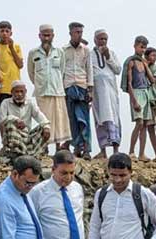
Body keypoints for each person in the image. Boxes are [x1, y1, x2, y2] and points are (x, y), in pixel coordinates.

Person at [27, 24, 71, 152]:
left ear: (53, 36)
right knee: (44, 120)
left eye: (49, 35)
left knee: (59, 120)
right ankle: (44, 147)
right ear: (39, 36)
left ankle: (58, 147)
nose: (46, 38)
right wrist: (39, 84)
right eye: (44, 35)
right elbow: (31, 72)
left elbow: (61, 71)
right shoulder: (33, 53)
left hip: (57, 90)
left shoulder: (59, 52)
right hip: (42, 92)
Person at [63, 22, 93, 160]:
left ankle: (87, 148)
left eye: (80, 32)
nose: (79, 34)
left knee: (84, 119)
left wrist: (90, 89)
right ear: (70, 33)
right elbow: (61, 70)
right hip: (69, 86)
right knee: (72, 120)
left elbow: (89, 70)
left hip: (82, 86)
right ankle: (77, 147)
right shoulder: (63, 50)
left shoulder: (86, 50)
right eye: (76, 32)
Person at [122, 36, 155, 161]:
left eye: (144, 48)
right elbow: (129, 83)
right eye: (141, 47)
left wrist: (146, 66)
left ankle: (142, 153)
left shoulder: (143, 62)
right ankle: (131, 151)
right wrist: (133, 100)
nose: (142, 50)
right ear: (135, 46)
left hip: (145, 92)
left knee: (145, 124)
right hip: (136, 93)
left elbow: (152, 80)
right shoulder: (131, 61)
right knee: (139, 122)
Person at [0, 80, 51, 158]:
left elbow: (40, 116)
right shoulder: (5, 103)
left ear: (25, 92)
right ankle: (15, 152)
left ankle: (29, 152)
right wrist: (15, 120)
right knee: (9, 124)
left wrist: (46, 127)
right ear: (12, 92)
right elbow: (2, 120)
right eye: (16, 92)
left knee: (44, 128)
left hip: (26, 137)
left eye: (21, 91)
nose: (19, 94)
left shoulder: (30, 103)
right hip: (12, 137)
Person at [90, 29, 121, 159]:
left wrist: (108, 57)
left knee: (113, 119)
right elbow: (89, 72)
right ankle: (103, 151)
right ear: (95, 40)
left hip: (111, 92)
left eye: (105, 39)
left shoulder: (112, 53)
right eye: (100, 39)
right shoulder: (90, 55)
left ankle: (116, 150)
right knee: (100, 119)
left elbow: (118, 69)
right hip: (98, 93)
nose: (103, 42)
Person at [0, 20, 23, 110]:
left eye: (7, 31)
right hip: (2, 87)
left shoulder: (16, 47)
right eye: (2, 31)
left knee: (17, 113)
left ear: (11, 33)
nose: (4, 33)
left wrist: (11, 48)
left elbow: (20, 65)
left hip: (15, 87)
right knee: (3, 114)